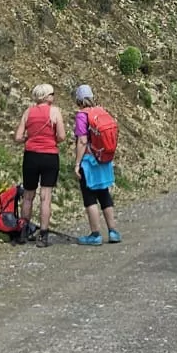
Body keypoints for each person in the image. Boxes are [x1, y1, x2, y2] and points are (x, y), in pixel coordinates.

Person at [14, 83, 66, 246]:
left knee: (28, 196)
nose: (54, 96)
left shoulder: (28, 112)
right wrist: (52, 140)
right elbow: (62, 136)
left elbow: (18, 137)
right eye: (52, 94)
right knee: (46, 197)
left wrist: (28, 140)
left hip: (31, 156)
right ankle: (43, 235)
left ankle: (23, 231)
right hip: (49, 156)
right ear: (46, 96)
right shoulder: (55, 111)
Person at [72, 84, 122, 246]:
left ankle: (95, 234)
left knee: (90, 197)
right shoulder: (100, 112)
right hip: (104, 160)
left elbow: (82, 140)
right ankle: (113, 231)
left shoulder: (81, 116)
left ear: (78, 100)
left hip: (89, 162)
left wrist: (77, 163)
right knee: (104, 194)